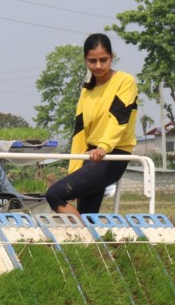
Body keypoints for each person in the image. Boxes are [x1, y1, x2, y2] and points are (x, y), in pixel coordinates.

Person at [45, 33, 139, 218]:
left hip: (112, 156)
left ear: (112, 57)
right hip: (90, 156)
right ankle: (90, 244)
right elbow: (80, 132)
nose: (98, 66)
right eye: (92, 61)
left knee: (54, 194)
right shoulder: (87, 90)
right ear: (85, 60)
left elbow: (118, 118)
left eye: (103, 60)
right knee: (88, 213)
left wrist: (103, 148)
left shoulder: (125, 81)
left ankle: (85, 238)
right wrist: (75, 169)